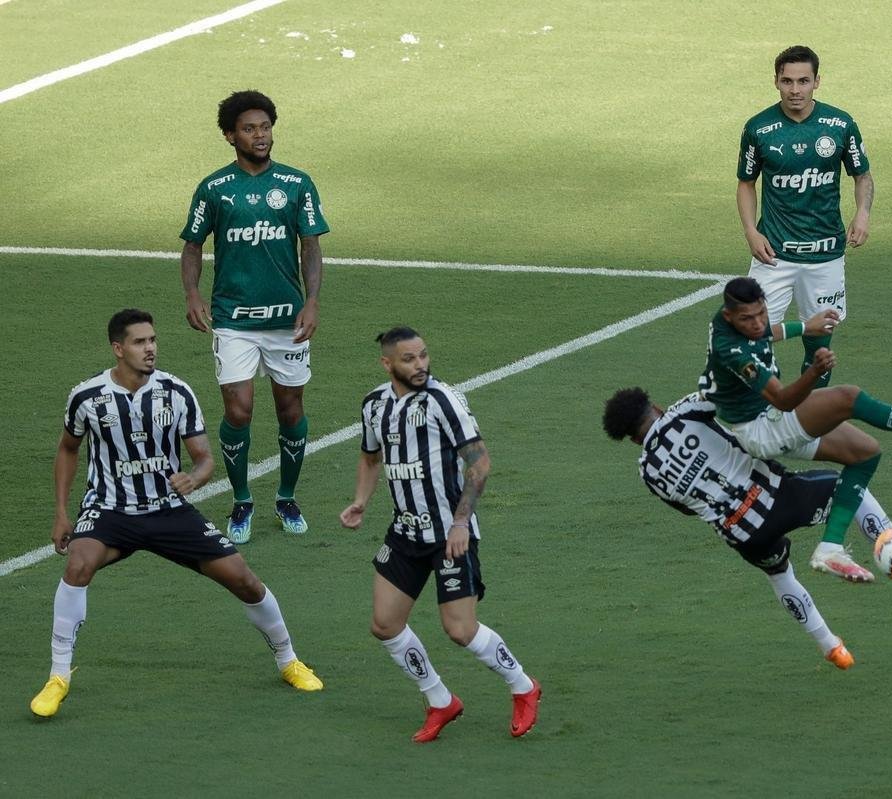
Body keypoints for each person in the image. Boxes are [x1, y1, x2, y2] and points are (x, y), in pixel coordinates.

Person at [30, 309, 323, 719]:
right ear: (118, 349)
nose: (150, 348)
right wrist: (63, 514)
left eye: (152, 340)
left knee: (245, 580)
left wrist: (195, 478)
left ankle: (289, 660)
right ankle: (58, 677)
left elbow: (203, 458)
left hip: (168, 511)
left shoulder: (176, 392)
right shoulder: (87, 396)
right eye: (139, 341)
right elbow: (68, 448)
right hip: (110, 510)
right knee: (77, 566)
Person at [602, 389, 892, 670]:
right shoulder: (685, 410)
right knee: (850, 488)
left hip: (740, 532)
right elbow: (731, 400)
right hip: (775, 495)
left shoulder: (646, 470)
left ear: (632, 439)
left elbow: (684, 509)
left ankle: (832, 647)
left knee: (780, 576)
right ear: (656, 406)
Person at [701, 277, 892, 583]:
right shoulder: (731, 350)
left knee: (865, 453)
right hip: (762, 427)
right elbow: (783, 400)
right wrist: (814, 372)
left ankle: (830, 547)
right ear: (729, 317)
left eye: (761, 313)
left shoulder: (733, 319)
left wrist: (805, 326)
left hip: (766, 422)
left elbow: (765, 332)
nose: (757, 323)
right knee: (848, 398)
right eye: (747, 319)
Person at [340, 326, 541, 743]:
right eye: (410, 359)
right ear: (387, 363)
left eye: (424, 356)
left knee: (461, 631)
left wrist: (461, 522)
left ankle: (523, 686)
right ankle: (439, 699)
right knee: (385, 624)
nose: (421, 365)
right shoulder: (375, 405)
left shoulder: (442, 400)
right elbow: (369, 456)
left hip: (451, 533)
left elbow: (479, 463)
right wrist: (361, 499)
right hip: (405, 531)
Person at [180, 89, 330, 544]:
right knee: (239, 410)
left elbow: (311, 246)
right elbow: (192, 245)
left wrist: (312, 300)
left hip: (287, 319)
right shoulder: (214, 189)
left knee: (290, 409)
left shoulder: (297, 183)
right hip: (233, 319)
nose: (260, 135)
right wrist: (192, 292)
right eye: (249, 128)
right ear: (230, 136)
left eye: (265, 127)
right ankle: (242, 500)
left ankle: (286, 497)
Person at [737, 45, 874, 387]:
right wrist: (751, 232)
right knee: (753, 336)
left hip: (825, 255)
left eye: (803, 81)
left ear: (817, 82)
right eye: (787, 81)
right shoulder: (759, 128)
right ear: (776, 82)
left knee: (820, 353)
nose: (795, 90)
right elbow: (746, 183)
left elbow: (862, 176)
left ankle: (808, 424)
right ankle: (768, 410)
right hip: (774, 256)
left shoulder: (840, 124)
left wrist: (862, 214)